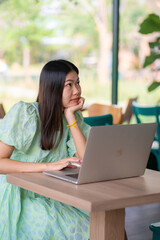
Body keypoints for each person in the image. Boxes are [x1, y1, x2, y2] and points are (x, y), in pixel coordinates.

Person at [0, 60, 90, 240]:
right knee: (67, 224)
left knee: (100, 219)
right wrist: (48, 166)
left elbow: (85, 160)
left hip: (54, 191)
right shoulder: (26, 113)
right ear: (52, 87)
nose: (77, 90)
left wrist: (71, 117)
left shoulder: (71, 116)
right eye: (69, 85)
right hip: (19, 193)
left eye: (78, 83)